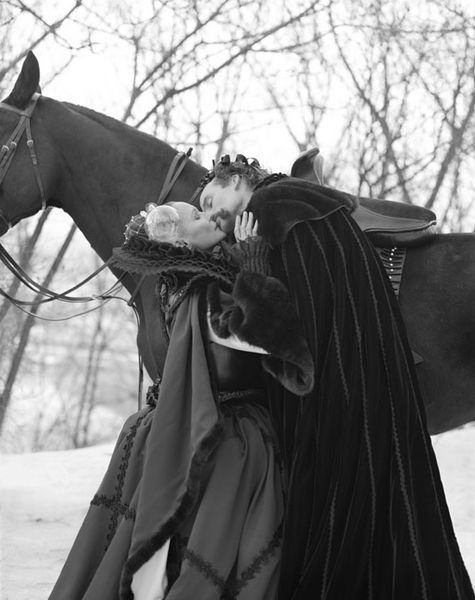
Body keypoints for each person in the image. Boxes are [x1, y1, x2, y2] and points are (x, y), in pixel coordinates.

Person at [200, 154, 475, 599]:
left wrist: (249, 262)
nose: (216, 215)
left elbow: (279, 328)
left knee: (330, 525)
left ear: (235, 179)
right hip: (364, 382)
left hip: (332, 397)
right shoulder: (310, 201)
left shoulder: (268, 212)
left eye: (212, 198)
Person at [49, 200, 314, 600]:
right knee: (204, 552)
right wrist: (256, 263)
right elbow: (264, 338)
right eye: (196, 217)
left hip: (214, 426)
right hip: (221, 439)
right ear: (181, 243)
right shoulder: (198, 289)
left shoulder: (188, 277)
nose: (209, 217)